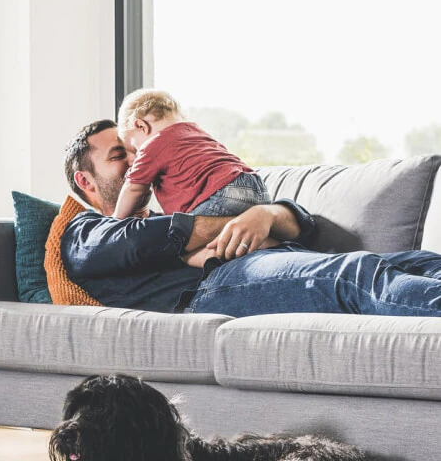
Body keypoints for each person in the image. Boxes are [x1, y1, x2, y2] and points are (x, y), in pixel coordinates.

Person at [62, 119, 441, 317]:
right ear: (85, 180)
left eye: (134, 150)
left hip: (268, 260)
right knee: (353, 277)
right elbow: (138, 241)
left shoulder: (177, 201)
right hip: (210, 288)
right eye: (118, 156)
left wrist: (263, 214)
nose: (136, 160)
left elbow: (303, 224)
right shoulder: (85, 230)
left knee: (419, 261)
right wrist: (232, 226)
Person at [112, 89, 271, 219]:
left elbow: (133, 189)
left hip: (224, 193)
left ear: (141, 126)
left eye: (134, 147)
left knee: (179, 238)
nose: (134, 158)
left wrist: (115, 220)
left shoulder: (152, 145)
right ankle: (269, 241)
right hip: (257, 188)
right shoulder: (195, 132)